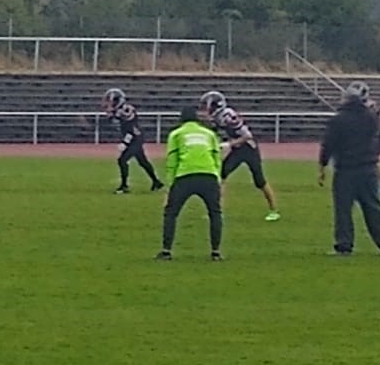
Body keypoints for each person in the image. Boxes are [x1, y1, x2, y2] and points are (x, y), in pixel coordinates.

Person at [318, 82, 380, 257]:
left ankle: (344, 245)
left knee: (343, 209)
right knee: (373, 207)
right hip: (368, 168)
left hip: (345, 170)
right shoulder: (371, 118)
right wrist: (373, 155)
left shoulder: (338, 120)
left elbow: (328, 144)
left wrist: (322, 165)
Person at [157, 107, 224, 261]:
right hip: (209, 175)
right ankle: (215, 252)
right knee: (215, 213)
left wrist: (170, 186)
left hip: (185, 175)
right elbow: (217, 158)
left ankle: (166, 251)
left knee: (171, 213)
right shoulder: (209, 134)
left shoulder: (176, 134)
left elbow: (172, 161)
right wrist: (217, 179)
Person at [201, 91, 281, 222]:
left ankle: (274, 210)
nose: (207, 109)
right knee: (221, 175)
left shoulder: (228, 115)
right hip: (237, 150)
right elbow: (217, 133)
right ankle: (217, 211)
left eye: (208, 106)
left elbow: (247, 136)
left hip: (249, 148)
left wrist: (230, 144)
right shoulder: (217, 117)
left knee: (259, 181)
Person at [105, 88, 162, 194]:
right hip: (135, 138)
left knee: (122, 160)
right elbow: (114, 121)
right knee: (142, 162)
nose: (110, 103)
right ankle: (156, 182)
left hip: (134, 139)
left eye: (111, 101)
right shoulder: (121, 109)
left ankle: (124, 186)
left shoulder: (125, 110)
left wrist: (125, 143)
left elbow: (130, 128)